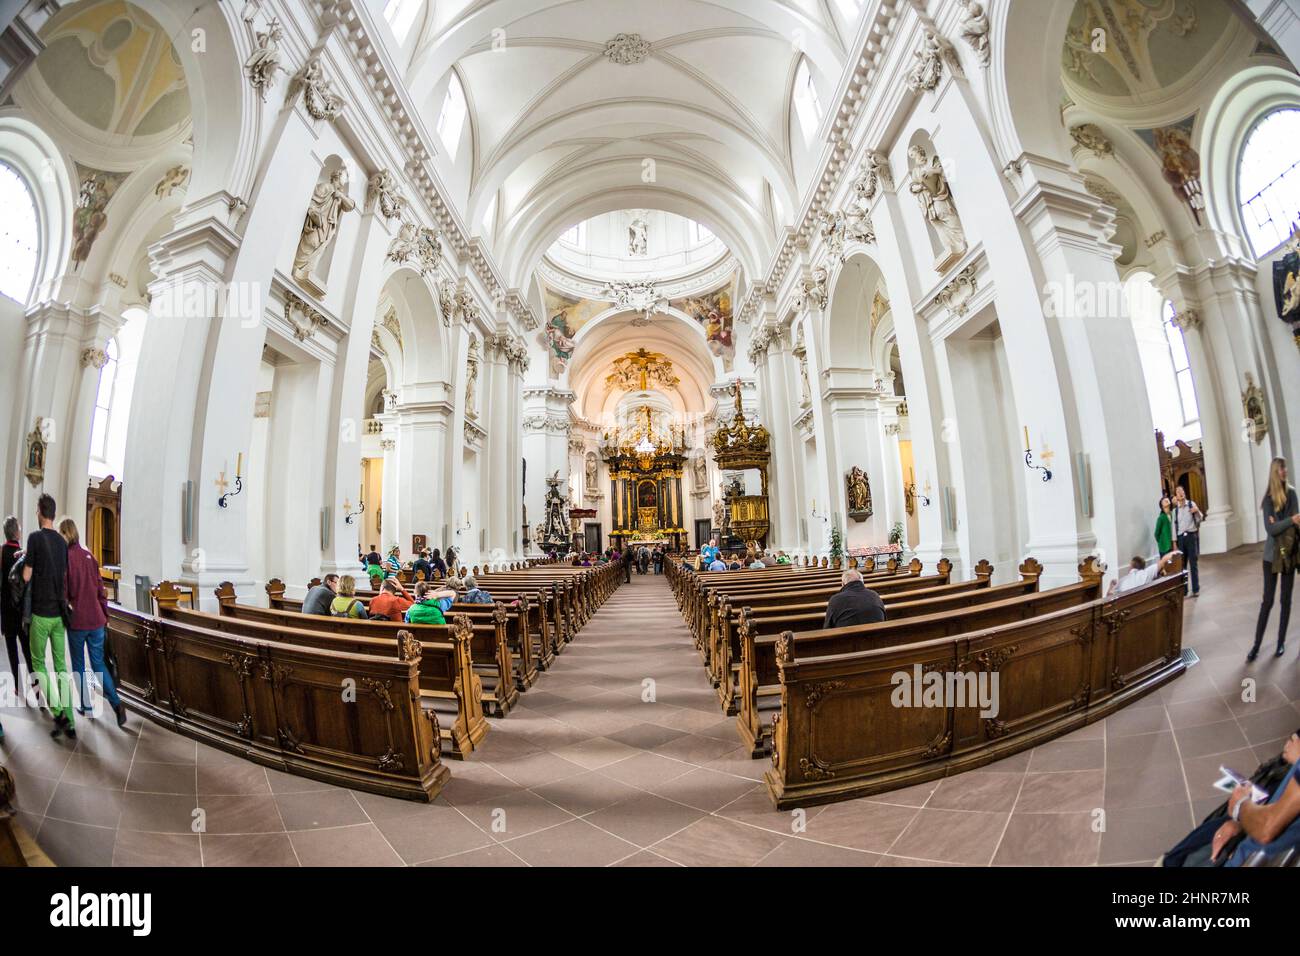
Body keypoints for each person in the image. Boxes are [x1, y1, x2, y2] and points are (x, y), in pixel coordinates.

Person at [59, 518, 126, 728]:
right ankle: (116, 704)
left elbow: (64, 593)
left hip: (78, 622)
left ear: (64, 534)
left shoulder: (66, 559)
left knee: (78, 666)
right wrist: (104, 615)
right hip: (97, 620)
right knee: (98, 664)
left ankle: (86, 706)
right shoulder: (90, 556)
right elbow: (101, 591)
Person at [24, 493, 74, 739]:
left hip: (41, 613)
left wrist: (25, 559)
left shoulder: (34, 538)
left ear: (40, 512)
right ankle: (70, 719)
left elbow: (25, 576)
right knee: (61, 666)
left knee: (38, 664)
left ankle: (58, 711)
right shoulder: (62, 543)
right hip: (59, 613)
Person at [1248, 457, 1299, 662]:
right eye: (1280, 469)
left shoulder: (1292, 493)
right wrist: (1290, 520)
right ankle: (1256, 645)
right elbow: (1271, 530)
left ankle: (1280, 642)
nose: (1284, 471)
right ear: (1274, 472)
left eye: (1285, 468)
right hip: (1270, 557)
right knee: (1267, 602)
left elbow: (1294, 525)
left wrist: (1281, 522)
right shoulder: (1268, 499)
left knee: (1285, 600)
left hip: (1289, 554)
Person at [1, 515, 32, 695]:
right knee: (27, 651)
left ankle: (17, 686)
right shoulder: (24, 556)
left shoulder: (1, 552)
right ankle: (37, 690)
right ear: (17, 533)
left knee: (12, 650)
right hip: (21, 610)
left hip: (6, 609)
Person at [1108, 550, 1181, 598]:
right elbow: (1164, 560)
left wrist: (1111, 586)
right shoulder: (1147, 573)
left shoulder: (1121, 581)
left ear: (1131, 567)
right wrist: (1178, 552)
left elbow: (1108, 598)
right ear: (1143, 567)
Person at [1171, 486, 1202, 596]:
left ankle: (1195, 589)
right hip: (1180, 539)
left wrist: (1197, 511)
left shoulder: (1191, 504)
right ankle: (1184, 590)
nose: (1181, 493)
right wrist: (1174, 543)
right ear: (1176, 496)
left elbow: (1199, 519)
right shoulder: (1175, 511)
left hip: (1191, 536)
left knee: (1193, 564)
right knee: (1182, 565)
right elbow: (1173, 528)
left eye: (1182, 491)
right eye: (1178, 492)